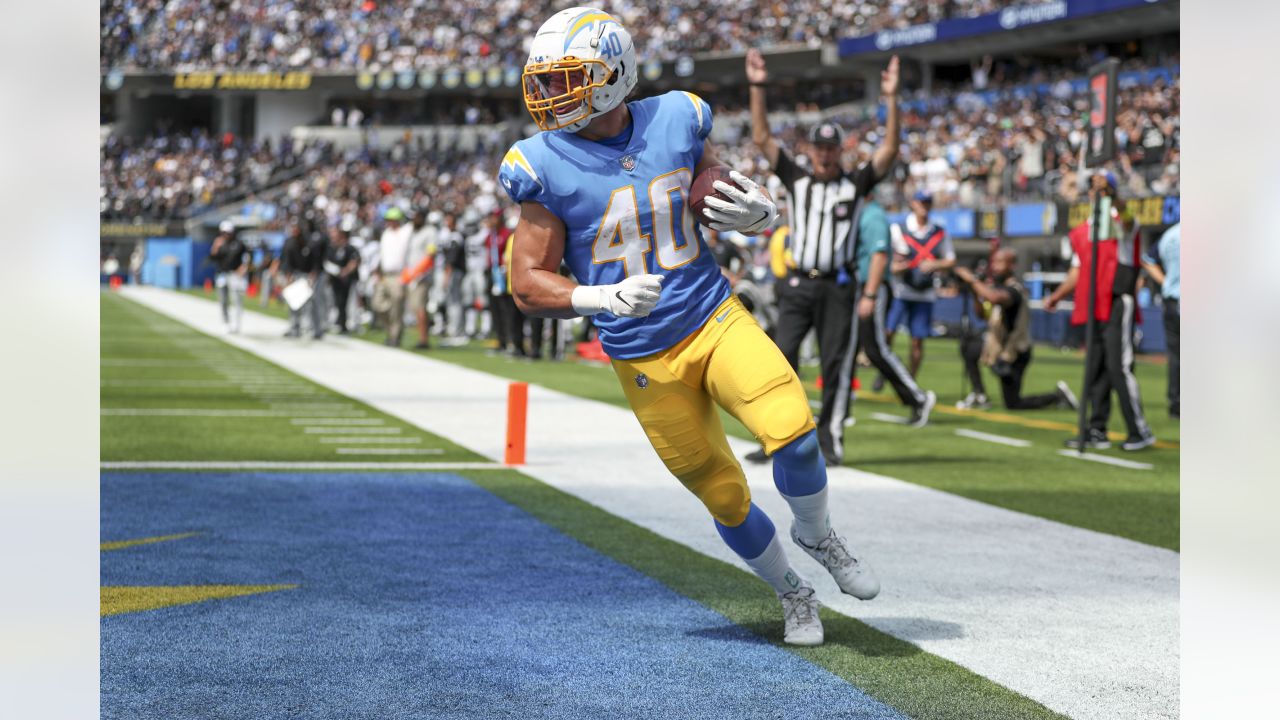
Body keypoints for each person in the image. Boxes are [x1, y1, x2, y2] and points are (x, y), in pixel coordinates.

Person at [500, 7, 880, 647]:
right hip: (643, 356)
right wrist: (602, 295)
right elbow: (526, 281)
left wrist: (753, 214)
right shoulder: (540, 162)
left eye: (569, 78)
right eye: (546, 80)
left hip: (711, 314)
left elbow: (710, 184)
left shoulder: (675, 115)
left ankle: (817, 532)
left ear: (613, 75)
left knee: (794, 433)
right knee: (725, 497)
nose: (551, 95)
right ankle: (793, 592)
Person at [743, 46, 902, 465]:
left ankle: (830, 440)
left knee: (835, 364)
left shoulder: (856, 183)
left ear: (841, 151)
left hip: (838, 285)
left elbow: (888, 152)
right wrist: (757, 85)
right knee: (781, 359)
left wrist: (891, 98)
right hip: (798, 283)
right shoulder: (798, 179)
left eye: (832, 149)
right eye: (820, 149)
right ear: (812, 150)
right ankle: (776, 436)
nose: (826, 155)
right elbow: (762, 137)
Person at [1044, 171, 1156, 451]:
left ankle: (1139, 430)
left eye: (1103, 192)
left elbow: (1128, 218)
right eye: (1095, 191)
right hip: (1092, 306)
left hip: (1116, 301)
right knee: (1095, 370)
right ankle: (1096, 429)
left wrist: (1112, 195)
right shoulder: (1081, 232)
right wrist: (1056, 297)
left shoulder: (1123, 225)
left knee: (1119, 368)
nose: (1098, 195)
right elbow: (1076, 272)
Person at [954, 248, 1079, 411]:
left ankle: (1057, 396)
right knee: (969, 348)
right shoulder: (999, 287)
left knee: (1013, 404)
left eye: (1000, 262)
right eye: (994, 263)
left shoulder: (1014, 289)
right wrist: (974, 293)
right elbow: (981, 315)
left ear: (1011, 265)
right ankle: (979, 393)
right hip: (999, 348)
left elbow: (995, 297)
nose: (995, 267)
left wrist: (971, 280)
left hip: (1015, 353)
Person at [844, 200, 933, 423]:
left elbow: (880, 255)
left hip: (871, 287)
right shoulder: (860, 212)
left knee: (876, 349)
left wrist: (870, 294)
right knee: (847, 349)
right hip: (860, 287)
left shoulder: (872, 215)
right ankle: (840, 407)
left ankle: (918, 397)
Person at [884, 190, 955, 400]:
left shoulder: (939, 232)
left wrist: (935, 263)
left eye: (928, 202)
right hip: (901, 291)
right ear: (912, 203)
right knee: (888, 334)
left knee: (917, 340)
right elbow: (888, 258)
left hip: (925, 293)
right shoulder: (899, 228)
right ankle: (888, 372)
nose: (924, 205)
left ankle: (910, 382)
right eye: (921, 202)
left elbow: (950, 259)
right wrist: (896, 267)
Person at [1142, 222, 1179, 418]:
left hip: (1172, 300)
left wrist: (1166, 282)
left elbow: (1147, 259)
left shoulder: (1170, 235)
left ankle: (1176, 404)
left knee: (1175, 356)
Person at [273, 223, 325, 340]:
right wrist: (289, 278)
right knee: (294, 303)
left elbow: (316, 262)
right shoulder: (289, 243)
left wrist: (312, 276)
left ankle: (316, 330)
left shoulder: (310, 242)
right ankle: (295, 328)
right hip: (295, 275)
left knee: (313, 303)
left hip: (308, 275)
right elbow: (286, 262)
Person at [373, 206, 412, 347]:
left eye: (392, 220)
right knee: (378, 304)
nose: (389, 222)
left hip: (398, 275)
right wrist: (377, 269)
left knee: (397, 308)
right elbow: (382, 254)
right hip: (385, 274)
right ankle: (390, 331)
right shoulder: (386, 234)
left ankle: (395, 337)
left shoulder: (405, 233)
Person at [404, 209, 438, 349]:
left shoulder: (430, 231)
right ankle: (421, 337)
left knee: (420, 307)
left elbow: (431, 254)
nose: (414, 219)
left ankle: (424, 340)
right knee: (415, 307)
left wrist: (418, 272)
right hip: (411, 275)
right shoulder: (412, 231)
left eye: (417, 217)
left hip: (422, 276)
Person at [208, 221, 249, 334]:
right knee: (223, 300)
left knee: (236, 300)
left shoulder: (239, 244)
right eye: (224, 233)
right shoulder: (220, 243)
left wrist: (243, 268)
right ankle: (226, 322)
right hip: (222, 274)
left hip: (235, 274)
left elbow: (246, 258)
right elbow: (212, 258)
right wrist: (215, 247)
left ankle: (237, 323)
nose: (225, 235)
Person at [324, 223, 360, 334]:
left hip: (348, 280)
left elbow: (354, 261)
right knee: (337, 302)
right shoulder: (332, 249)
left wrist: (345, 271)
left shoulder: (350, 248)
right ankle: (339, 323)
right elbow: (327, 262)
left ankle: (349, 324)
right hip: (335, 280)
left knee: (349, 303)